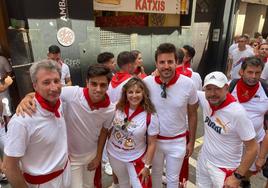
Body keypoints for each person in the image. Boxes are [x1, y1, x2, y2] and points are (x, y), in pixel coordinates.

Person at [16, 64, 115, 188]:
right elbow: (48, 92)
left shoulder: (110, 109)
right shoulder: (72, 93)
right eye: (94, 84)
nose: (98, 89)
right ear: (87, 82)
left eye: (103, 85)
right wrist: (27, 97)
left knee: (89, 185)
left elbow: (104, 132)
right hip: (71, 158)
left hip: (92, 155)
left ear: (108, 85)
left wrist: (98, 157)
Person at [3, 60, 71, 188]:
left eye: (56, 81)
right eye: (46, 82)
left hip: (66, 173)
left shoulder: (59, 101)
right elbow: (9, 167)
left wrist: (29, 96)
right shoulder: (22, 120)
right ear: (35, 85)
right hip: (44, 184)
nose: (54, 87)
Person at [143, 43, 198, 188]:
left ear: (177, 62)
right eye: (162, 62)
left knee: (173, 180)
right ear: (156, 63)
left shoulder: (188, 84)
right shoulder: (146, 83)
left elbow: (193, 114)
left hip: (177, 141)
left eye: (170, 62)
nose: (166, 66)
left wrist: (191, 141)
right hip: (154, 142)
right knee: (155, 175)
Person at [196, 71, 258, 188]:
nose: (212, 93)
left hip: (224, 169)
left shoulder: (237, 113)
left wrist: (237, 176)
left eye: (217, 89)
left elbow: (253, 148)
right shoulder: (205, 100)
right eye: (209, 89)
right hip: (204, 160)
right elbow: (184, 86)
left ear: (226, 88)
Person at [107, 77, 159, 187]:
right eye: (130, 92)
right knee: (123, 182)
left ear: (144, 93)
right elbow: (108, 128)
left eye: (138, 92)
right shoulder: (117, 107)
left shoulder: (150, 115)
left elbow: (152, 143)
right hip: (114, 155)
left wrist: (147, 166)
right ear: (125, 93)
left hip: (135, 158)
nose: (134, 95)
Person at [229, 56, 268, 187]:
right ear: (242, 71)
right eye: (250, 72)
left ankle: (245, 181)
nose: (253, 76)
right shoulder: (230, 86)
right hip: (231, 143)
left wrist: (262, 156)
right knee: (230, 176)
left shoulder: (266, 90)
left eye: (257, 73)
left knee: (248, 172)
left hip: (255, 143)